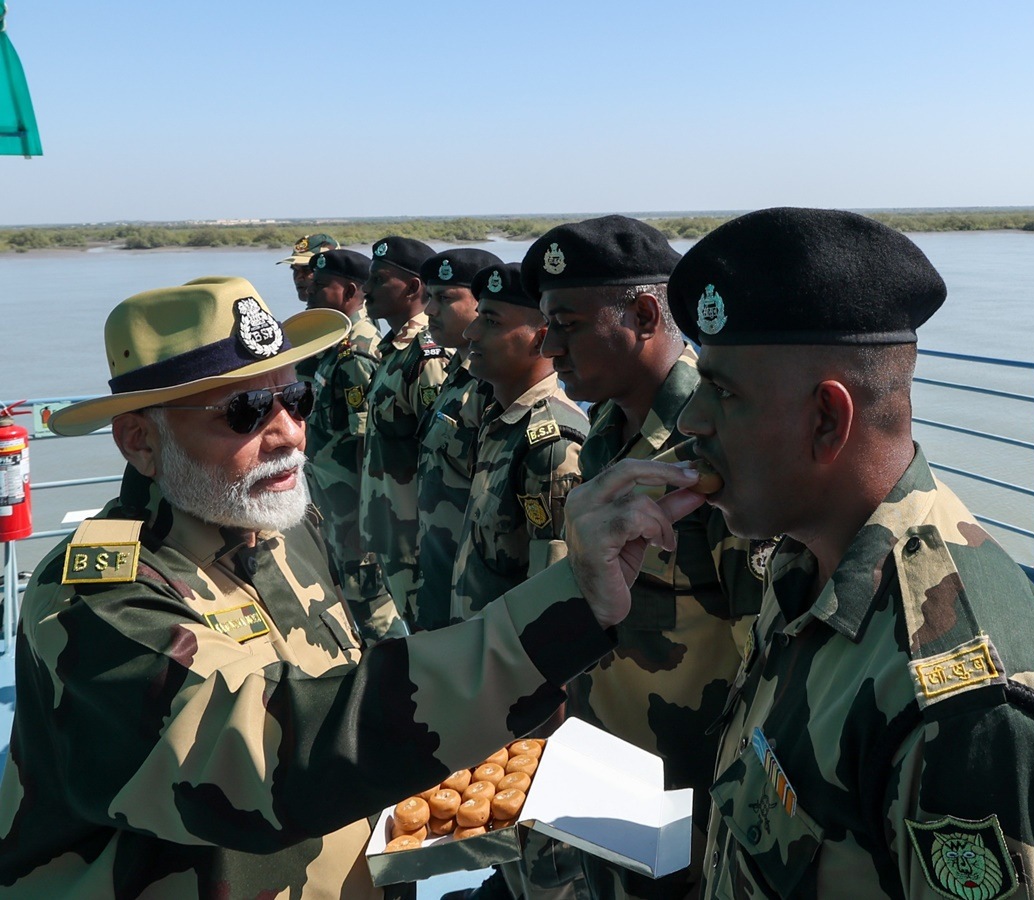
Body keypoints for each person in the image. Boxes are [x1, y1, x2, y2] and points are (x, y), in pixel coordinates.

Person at [0, 276, 663, 899]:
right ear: (140, 440)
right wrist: (555, 617)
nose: (286, 432)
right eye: (245, 410)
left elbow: (347, 703)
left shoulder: (283, 530)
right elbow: (263, 759)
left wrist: (523, 785)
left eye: (296, 398)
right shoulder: (95, 596)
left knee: (655, 818)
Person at [661, 207, 1034, 899]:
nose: (691, 419)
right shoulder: (803, 565)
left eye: (723, 392)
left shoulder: (970, 714)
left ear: (828, 420)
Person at [529, 216, 768, 900]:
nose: (549, 348)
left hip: (689, 810)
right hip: (611, 777)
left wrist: (728, 834)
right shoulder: (606, 433)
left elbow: (767, 660)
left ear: (640, 315)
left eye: (567, 325)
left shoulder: (714, 454)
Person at [447, 264, 592, 900]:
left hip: (525, 682)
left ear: (538, 337)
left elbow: (557, 592)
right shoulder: (501, 422)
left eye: (493, 321)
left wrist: (545, 722)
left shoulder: (551, 442)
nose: (472, 332)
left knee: (540, 835)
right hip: (493, 669)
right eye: (477, 316)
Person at [302, 248, 400, 642]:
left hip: (352, 506)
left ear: (351, 291)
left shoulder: (358, 351)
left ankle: (399, 684)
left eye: (322, 287)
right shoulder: (336, 343)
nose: (311, 293)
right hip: (332, 500)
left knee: (370, 604)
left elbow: (364, 443)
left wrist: (365, 518)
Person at [413, 247, 501, 630]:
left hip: (473, 593)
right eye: (429, 297)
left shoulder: (492, 387)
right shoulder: (457, 372)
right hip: (438, 573)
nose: (430, 310)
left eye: (445, 298)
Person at [360, 235, 446, 627]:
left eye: (379, 280)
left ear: (413, 287)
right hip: (390, 527)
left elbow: (439, 454)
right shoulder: (393, 349)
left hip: (416, 535)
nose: (367, 289)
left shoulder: (427, 355)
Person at [280, 233, 342, 381]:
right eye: (294, 270)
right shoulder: (314, 317)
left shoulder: (350, 322)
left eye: (307, 270)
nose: (298, 277)